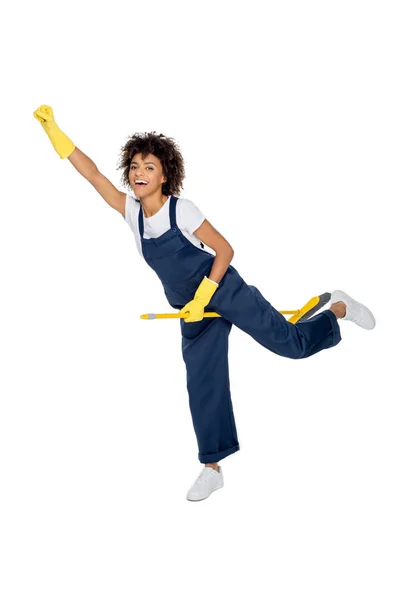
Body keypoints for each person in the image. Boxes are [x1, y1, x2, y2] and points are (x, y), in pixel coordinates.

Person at [33, 105, 376, 502]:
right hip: (190, 310)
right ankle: (213, 467)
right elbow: (92, 175)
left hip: (223, 290)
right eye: (134, 166)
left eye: (149, 167)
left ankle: (338, 308)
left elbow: (225, 250)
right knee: (203, 384)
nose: (139, 173)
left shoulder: (182, 209)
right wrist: (57, 135)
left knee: (292, 346)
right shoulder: (133, 214)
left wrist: (204, 296)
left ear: (165, 175)